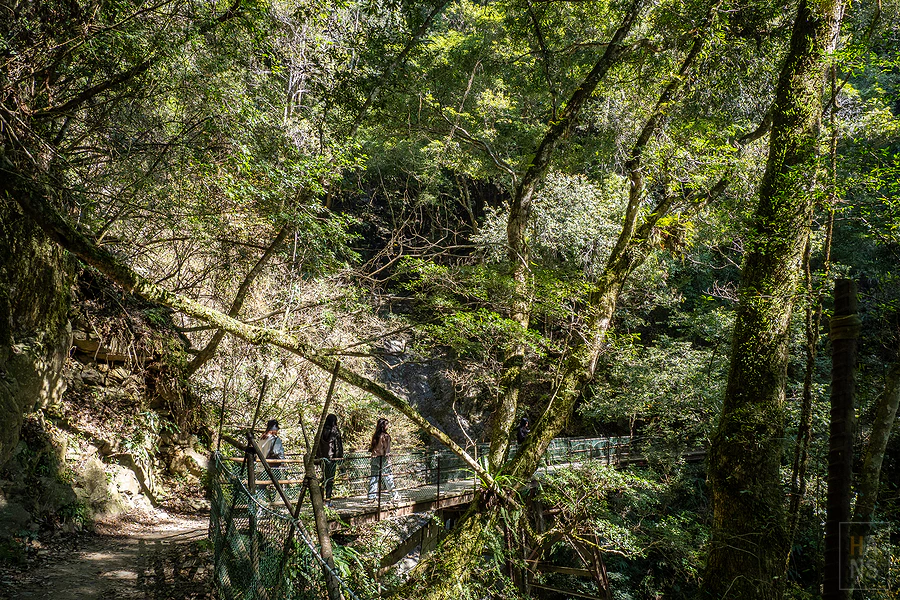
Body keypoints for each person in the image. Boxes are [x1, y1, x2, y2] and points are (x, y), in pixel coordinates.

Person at [368, 418, 400, 503]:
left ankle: (371, 497)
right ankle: (394, 495)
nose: (388, 426)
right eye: (387, 424)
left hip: (374, 457)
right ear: (384, 425)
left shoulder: (375, 435)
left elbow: (372, 448)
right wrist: (388, 459)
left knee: (374, 477)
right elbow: (387, 450)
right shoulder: (386, 436)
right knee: (388, 476)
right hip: (383, 458)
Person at [317, 413, 344, 507]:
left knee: (324, 478)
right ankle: (328, 501)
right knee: (330, 479)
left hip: (322, 458)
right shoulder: (335, 431)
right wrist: (340, 458)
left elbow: (318, 444)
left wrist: (318, 457)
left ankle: (321, 500)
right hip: (332, 458)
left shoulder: (321, 430)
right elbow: (338, 446)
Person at [256, 419, 285, 503]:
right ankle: (277, 503)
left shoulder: (261, 439)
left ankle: (260, 505)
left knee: (261, 487)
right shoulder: (275, 439)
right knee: (280, 485)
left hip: (260, 466)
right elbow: (277, 452)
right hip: (272, 467)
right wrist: (283, 462)